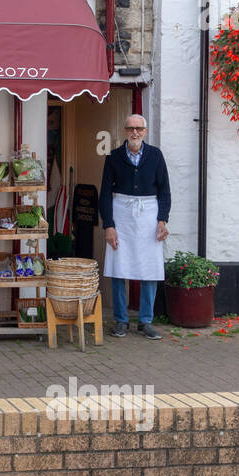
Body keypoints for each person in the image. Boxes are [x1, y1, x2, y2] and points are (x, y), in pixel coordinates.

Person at [99, 114, 171, 339]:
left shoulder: (155, 156)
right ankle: (121, 320)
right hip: (121, 214)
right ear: (124, 131)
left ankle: (145, 320)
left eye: (139, 128)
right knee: (120, 267)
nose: (135, 132)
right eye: (130, 128)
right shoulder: (113, 157)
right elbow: (104, 194)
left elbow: (165, 191)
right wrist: (109, 225)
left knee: (149, 268)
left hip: (149, 215)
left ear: (145, 131)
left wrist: (162, 219)